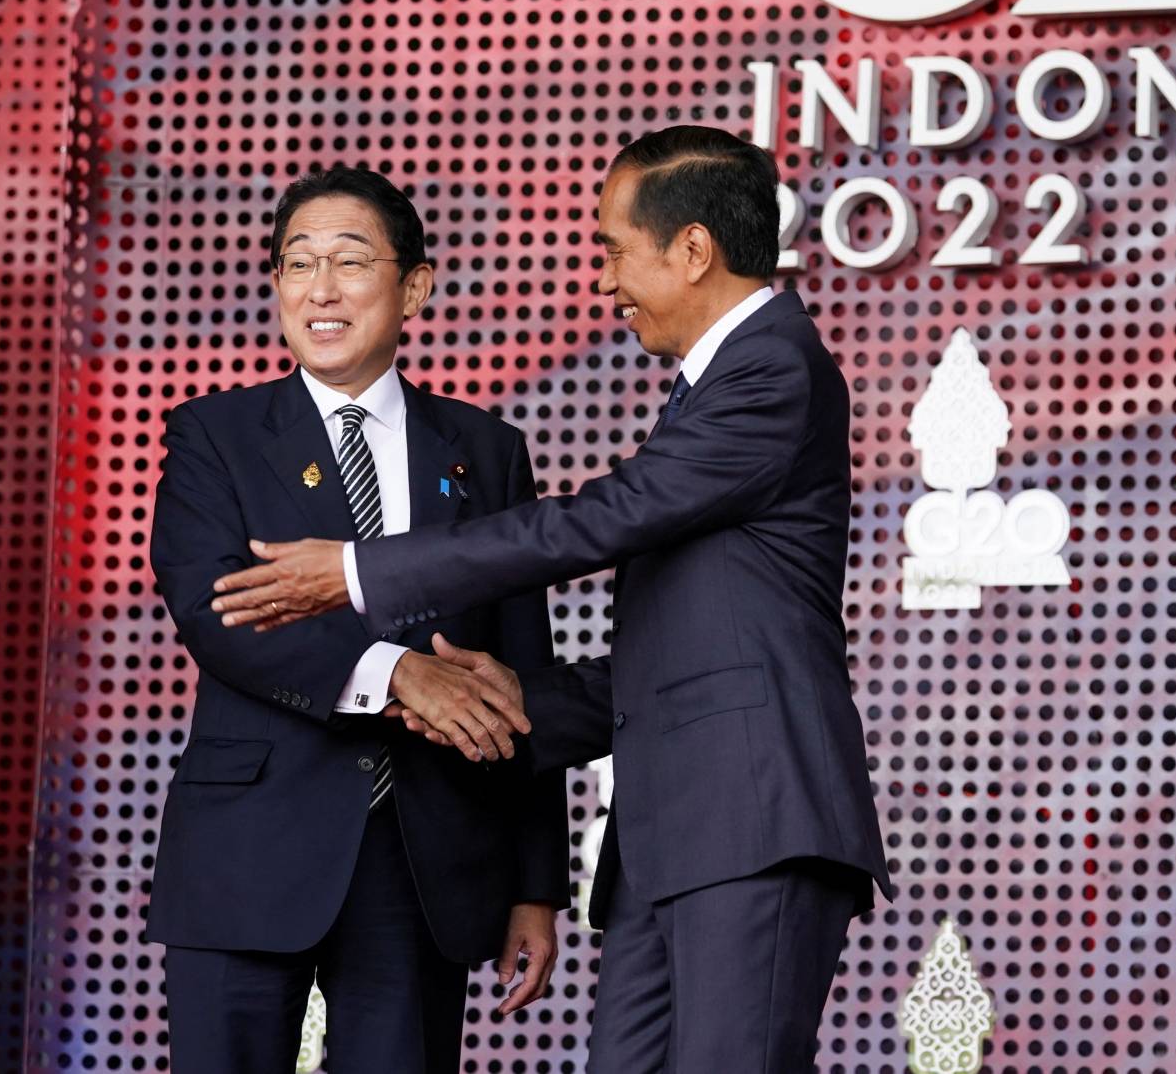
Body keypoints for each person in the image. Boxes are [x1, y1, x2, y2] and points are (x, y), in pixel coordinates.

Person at [210, 125, 893, 1074]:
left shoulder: (771, 367)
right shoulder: (713, 387)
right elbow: (686, 651)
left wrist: (362, 569)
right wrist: (500, 702)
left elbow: (602, 519)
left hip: (752, 817)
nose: (605, 280)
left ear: (691, 250)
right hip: (673, 832)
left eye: (614, 249)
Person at [146, 166, 566, 1074]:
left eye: (348, 261)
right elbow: (220, 613)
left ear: (414, 284)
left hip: (426, 860)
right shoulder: (213, 434)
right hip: (249, 850)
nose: (320, 290)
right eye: (297, 265)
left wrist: (536, 887)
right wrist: (397, 672)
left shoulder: (487, 451)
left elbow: (519, 670)